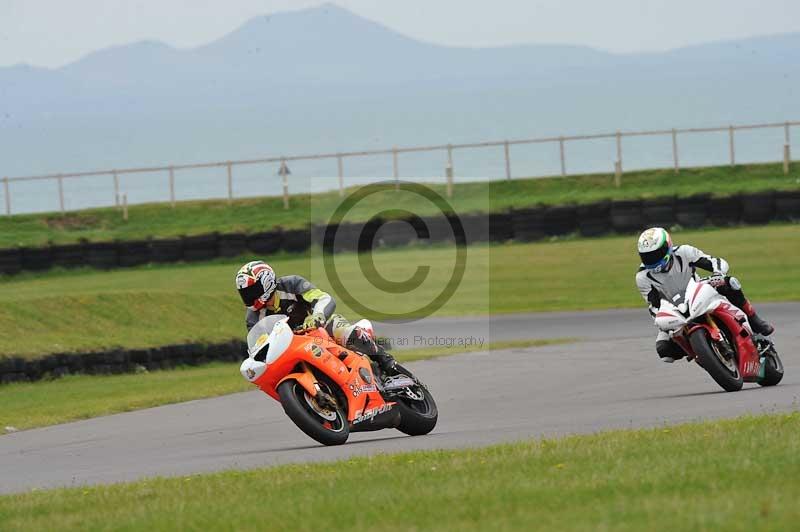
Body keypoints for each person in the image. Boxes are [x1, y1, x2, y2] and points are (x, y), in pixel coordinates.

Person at [635, 227, 774, 363]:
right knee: (664, 350)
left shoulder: (684, 252)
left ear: (667, 246)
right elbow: (654, 305)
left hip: (699, 289)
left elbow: (715, 262)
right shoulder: (642, 277)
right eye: (647, 256)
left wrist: (718, 275)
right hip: (674, 308)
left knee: (730, 283)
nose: (651, 259)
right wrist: (661, 321)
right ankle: (700, 352)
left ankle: (754, 320)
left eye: (655, 254)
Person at [234, 260, 398, 374]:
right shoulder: (253, 318)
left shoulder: (292, 284)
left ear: (267, 283)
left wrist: (318, 316)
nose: (249, 297)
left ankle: (387, 362)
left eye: (252, 291)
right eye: (245, 294)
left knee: (344, 331)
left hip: (319, 328)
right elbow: (258, 346)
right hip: (292, 348)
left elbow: (323, 298)